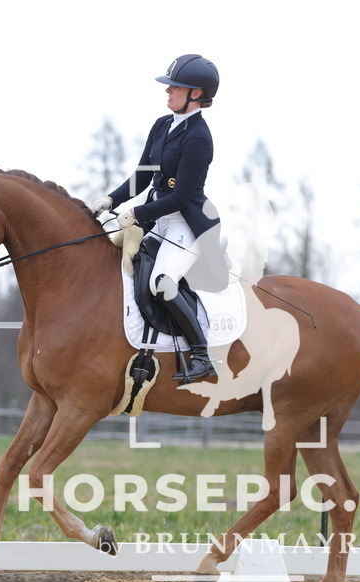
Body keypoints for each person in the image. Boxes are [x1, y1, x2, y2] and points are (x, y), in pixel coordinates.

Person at [93, 54, 223, 384]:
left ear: (196, 93)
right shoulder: (162, 125)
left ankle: (201, 356)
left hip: (184, 223)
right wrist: (111, 199)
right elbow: (142, 176)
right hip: (157, 220)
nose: (167, 93)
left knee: (161, 282)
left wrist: (136, 213)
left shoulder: (199, 138)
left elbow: (179, 198)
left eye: (174, 88)